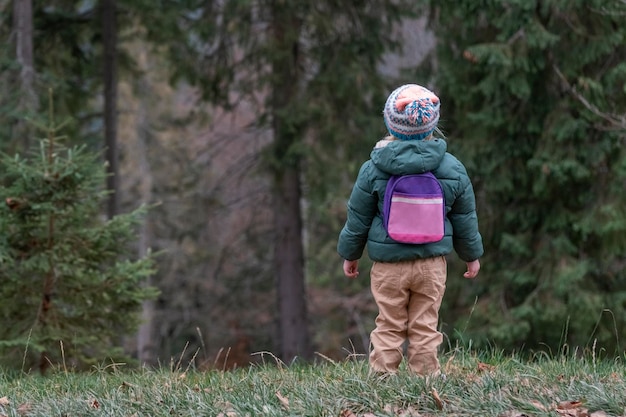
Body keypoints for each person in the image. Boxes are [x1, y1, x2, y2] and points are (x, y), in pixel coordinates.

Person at [337, 84, 483, 376]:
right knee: (425, 324)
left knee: (389, 323)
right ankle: (426, 379)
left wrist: (350, 255)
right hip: (431, 265)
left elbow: (358, 218)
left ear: (390, 122)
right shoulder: (452, 168)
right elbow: (465, 218)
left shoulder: (374, 168)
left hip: (388, 266)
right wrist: (472, 256)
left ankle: (381, 378)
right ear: (433, 124)